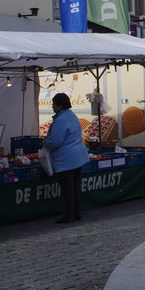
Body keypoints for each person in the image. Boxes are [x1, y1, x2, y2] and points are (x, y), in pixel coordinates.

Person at [44, 93, 89, 223]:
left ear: (59, 105)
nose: (52, 107)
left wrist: (46, 142)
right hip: (78, 156)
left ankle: (69, 215)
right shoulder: (71, 115)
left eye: (54, 104)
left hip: (66, 158)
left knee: (68, 188)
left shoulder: (60, 120)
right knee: (75, 186)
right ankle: (76, 213)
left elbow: (56, 141)